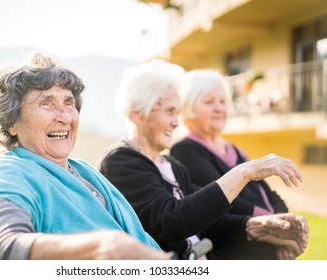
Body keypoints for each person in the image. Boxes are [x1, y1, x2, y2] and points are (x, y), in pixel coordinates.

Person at [96, 59, 309, 260]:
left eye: (177, 112)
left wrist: (264, 226)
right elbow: (172, 221)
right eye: (170, 112)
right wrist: (244, 172)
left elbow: (210, 223)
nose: (176, 122)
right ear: (137, 114)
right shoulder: (121, 161)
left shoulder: (172, 166)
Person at [0, 52, 172, 260]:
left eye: (69, 103)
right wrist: (101, 247)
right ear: (11, 122)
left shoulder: (84, 171)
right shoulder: (8, 172)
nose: (65, 117)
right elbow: (8, 247)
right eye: (46, 103)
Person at [170, 69, 290, 259]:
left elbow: (268, 193)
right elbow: (226, 201)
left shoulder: (236, 150)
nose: (219, 108)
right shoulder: (184, 150)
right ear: (189, 108)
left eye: (223, 101)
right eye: (209, 102)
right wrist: (275, 228)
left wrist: (286, 226)